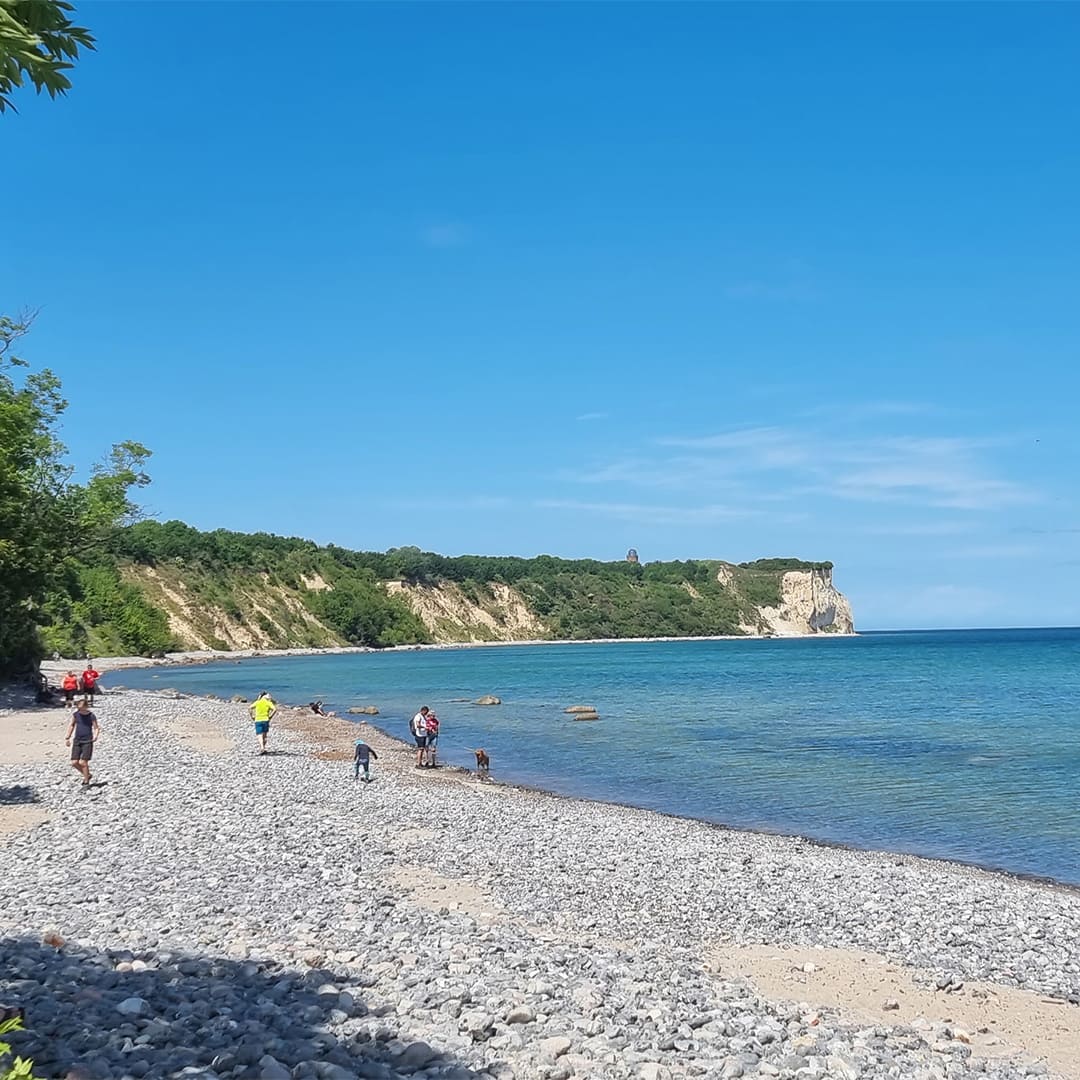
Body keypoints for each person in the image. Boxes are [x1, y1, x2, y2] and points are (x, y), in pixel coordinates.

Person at [65, 699, 100, 787]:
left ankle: (86, 781)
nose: (79, 709)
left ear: (86, 706)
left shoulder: (91, 715)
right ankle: (87, 774)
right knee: (74, 762)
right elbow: (72, 725)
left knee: (83, 762)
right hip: (77, 740)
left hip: (87, 740)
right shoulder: (76, 715)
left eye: (81, 708)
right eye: (78, 708)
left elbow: (96, 727)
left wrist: (95, 736)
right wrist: (68, 737)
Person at [249, 690, 277, 755]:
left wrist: (252, 716)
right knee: (264, 735)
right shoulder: (268, 702)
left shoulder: (258, 702)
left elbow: (250, 708)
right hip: (266, 720)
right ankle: (263, 747)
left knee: (259, 735)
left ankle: (262, 747)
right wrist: (270, 716)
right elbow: (275, 709)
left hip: (258, 720)